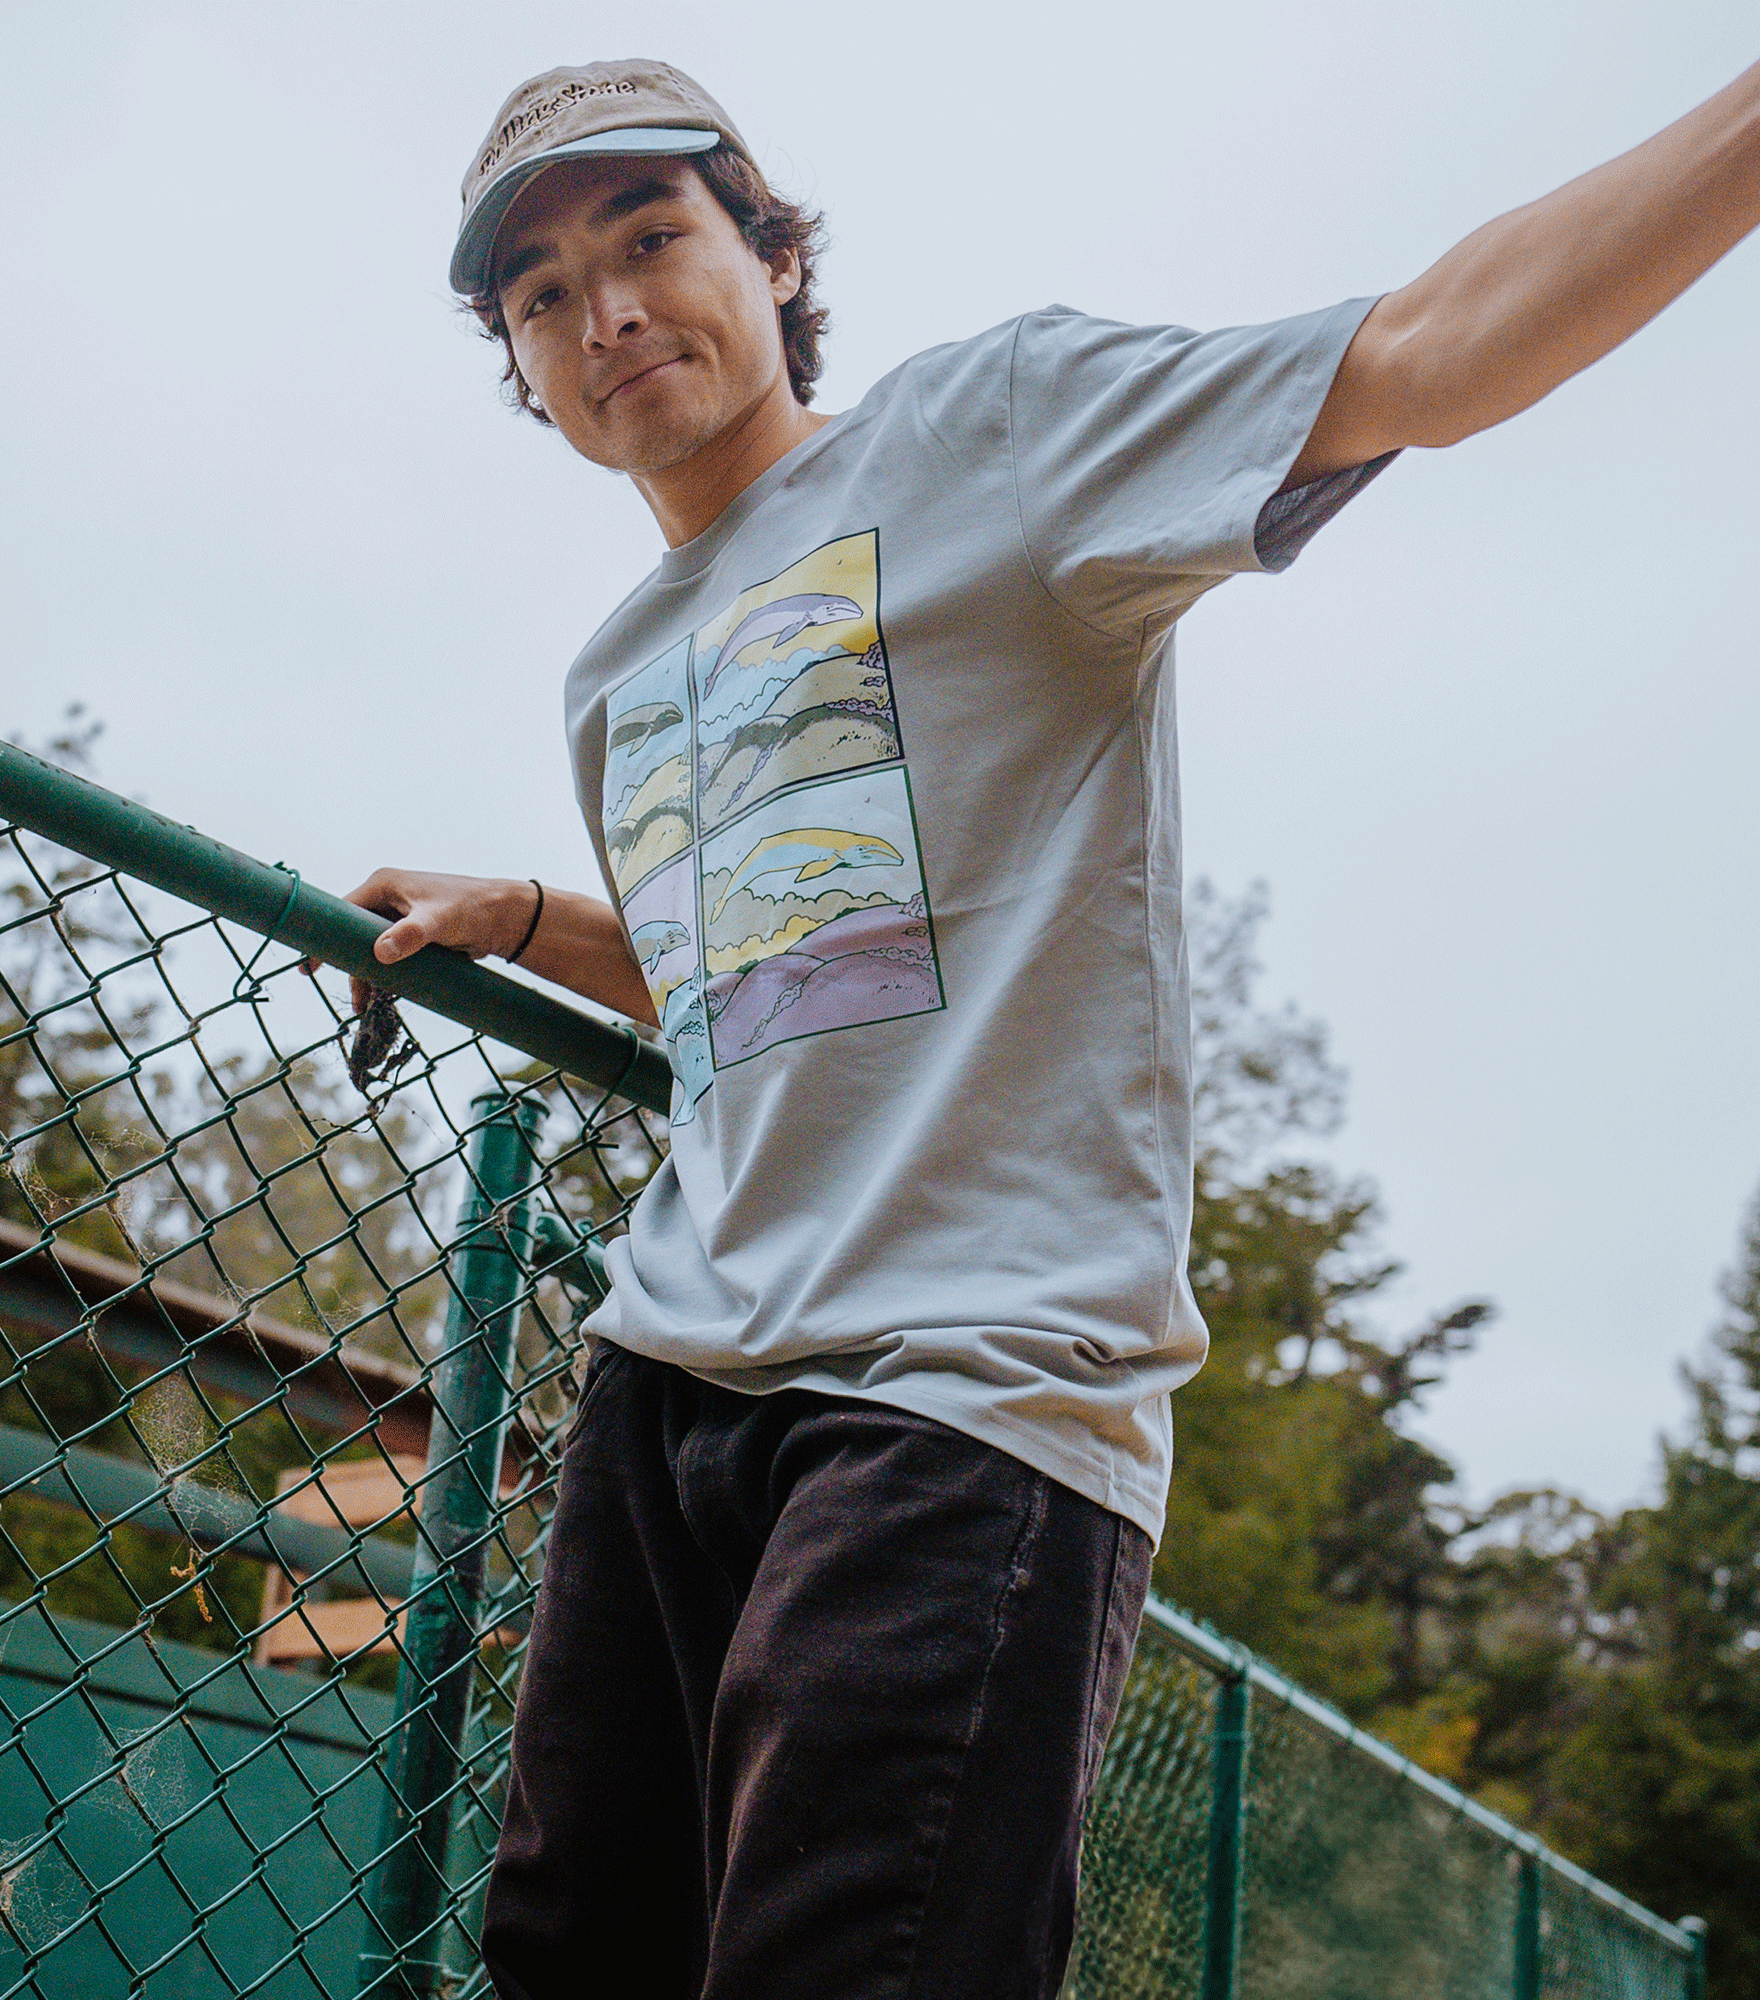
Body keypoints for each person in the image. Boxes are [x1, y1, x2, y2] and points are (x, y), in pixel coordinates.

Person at [341, 56, 1760, 2000]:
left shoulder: (985, 441)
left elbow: (1433, 345)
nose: (604, 312)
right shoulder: (613, 674)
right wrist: (521, 916)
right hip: (668, 1389)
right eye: (537, 293)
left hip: (956, 1387)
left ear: (765, 248)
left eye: (651, 237)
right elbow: (759, 970)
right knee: (566, 1959)